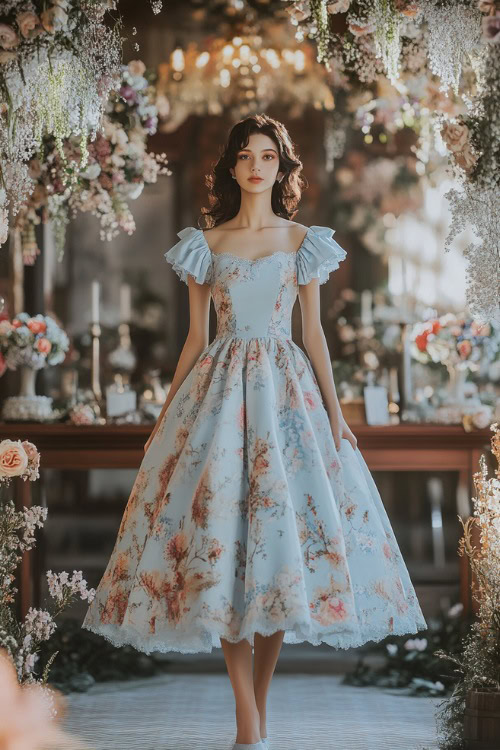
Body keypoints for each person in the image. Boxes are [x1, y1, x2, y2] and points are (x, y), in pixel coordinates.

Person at [82, 114, 427, 750]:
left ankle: (256, 716)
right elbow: (196, 337)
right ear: (232, 167)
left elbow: (314, 334)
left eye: (267, 155)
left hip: (285, 400)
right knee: (224, 554)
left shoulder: (305, 241)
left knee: (275, 558)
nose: (256, 165)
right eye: (245, 155)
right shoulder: (204, 245)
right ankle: (248, 724)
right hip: (218, 398)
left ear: (281, 166)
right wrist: (167, 417)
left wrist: (335, 414)